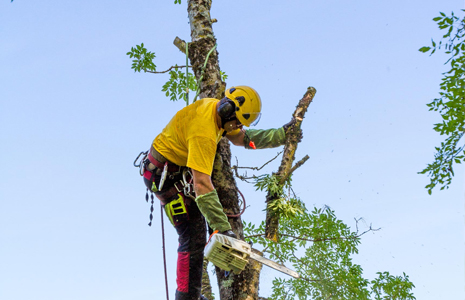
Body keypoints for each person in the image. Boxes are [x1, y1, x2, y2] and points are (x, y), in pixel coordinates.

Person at [141, 86, 295, 300]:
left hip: (177, 171)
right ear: (226, 111)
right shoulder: (203, 131)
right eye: (238, 121)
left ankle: (192, 292)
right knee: (192, 237)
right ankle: (187, 297)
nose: (238, 127)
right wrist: (224, 229)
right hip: (166, 179)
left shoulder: (219, 112)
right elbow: (202, 184)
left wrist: (280, 136)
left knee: (203, 225)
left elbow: (243, 138)